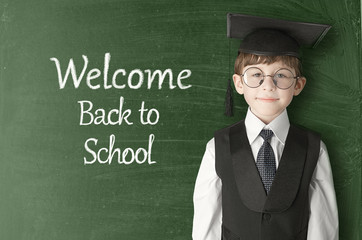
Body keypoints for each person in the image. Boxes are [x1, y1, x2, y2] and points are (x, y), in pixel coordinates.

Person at [192, 13, 339, 240]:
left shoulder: (314, 149)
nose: (268, 86)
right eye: (256, 75)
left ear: (298, 85)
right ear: (239, 83)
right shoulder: (217, 148)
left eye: (281, 75)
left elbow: (323, 225)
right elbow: (206, 222)